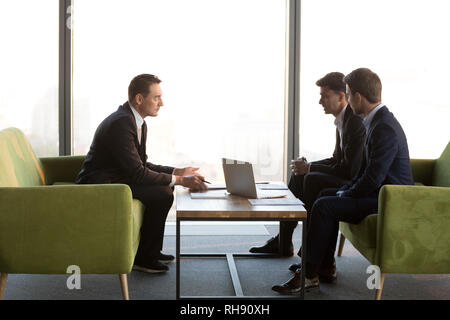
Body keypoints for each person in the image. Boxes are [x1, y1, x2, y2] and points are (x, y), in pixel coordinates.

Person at [272, 68, 414, 294]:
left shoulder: (383, 127)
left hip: (388, 200)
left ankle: (309, 275)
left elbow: (373, 178)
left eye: (348, 94)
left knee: (324, 204)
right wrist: (344, 190)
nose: (347, 99)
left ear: (357, 97)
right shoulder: (376, 121)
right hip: (377, 193)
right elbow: (365, 172)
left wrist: (346, 193)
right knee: (325, 195)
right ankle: (318, 267)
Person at [76, 74, 207, 273]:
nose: (161, 103)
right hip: (100, 186)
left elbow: (142, 164)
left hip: (118, 179)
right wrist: (180, 180)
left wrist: (177, 171)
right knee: (162, 193)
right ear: (139, 99)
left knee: (163, 191)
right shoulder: (122, 123)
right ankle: (145, 257)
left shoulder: (136, 122)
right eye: (156, 97)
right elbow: (138, 173)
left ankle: (149, 252)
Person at [250, 72, 366, 263]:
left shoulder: (354, 122)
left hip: (353, 183)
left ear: (342, 96)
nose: (320, 101)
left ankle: (312, 251)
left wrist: (310, 169)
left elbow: (349, 170)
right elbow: (337, 160)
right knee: (298, 175)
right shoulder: (343, 120)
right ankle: (284, 240)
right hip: (346, 175)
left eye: (325, 96)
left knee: (310, 178)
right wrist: (307, 166)